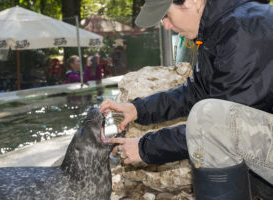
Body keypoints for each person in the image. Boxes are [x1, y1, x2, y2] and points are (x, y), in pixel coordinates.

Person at [100, 0, 273, 199]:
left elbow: (218, 127)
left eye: (166, 15)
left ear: (193, 2)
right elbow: (197, 91)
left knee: (209, 120)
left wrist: (145, 147)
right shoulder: (223, 26)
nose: (165, 25)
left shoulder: (242, 33)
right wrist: (138, 109)